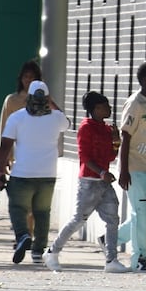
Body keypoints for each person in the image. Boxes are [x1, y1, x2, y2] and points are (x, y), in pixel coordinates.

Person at [0, 80, 67, 265]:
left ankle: (23, 235)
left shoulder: (17, 118)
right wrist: (52, 102)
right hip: (47, 174)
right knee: (42, 213)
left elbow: (5, 147)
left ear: (29, 97)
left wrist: (0, 171)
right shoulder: (55, 118)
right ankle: (38, 251)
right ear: (47, 98)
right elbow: (67, 122)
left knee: (18, 209)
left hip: (22, 173)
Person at [51, 91, 123, 273]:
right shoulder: (86, 127)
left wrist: (116, 141)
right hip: (89, 182)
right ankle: (52, 251)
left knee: (113, 219)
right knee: (78, 220)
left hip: (104, 182)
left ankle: (111, 260)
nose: (110, 108)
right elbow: (84, 156)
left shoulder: (107, 129)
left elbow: (111, 157)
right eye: (106, 105)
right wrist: (101, 172)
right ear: (96, 109)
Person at [116, 62, 146, 273]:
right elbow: (125, 136)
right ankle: (139, 258)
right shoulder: (135, 103)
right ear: (144, 81)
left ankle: (112, 238)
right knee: (140, 212)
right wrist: (124, 170)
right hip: (135, 168)